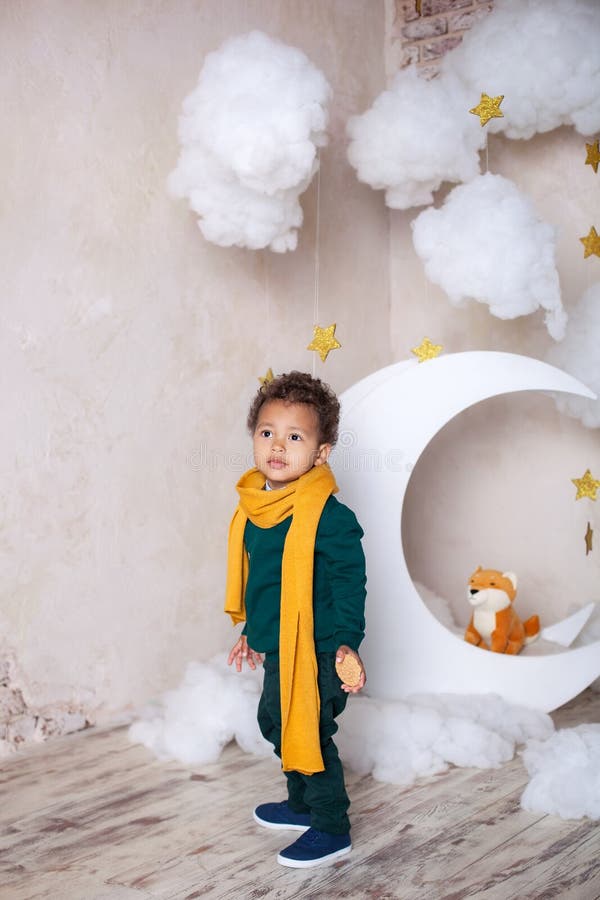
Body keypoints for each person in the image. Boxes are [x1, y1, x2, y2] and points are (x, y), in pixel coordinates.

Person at [224, 371, 367, 869]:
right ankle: (301, 804)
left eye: (295, 436)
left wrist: (347, 643)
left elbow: (350, 582)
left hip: (320, 644)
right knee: (275, 721)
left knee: (305, 726)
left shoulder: (329, 516)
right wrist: (251, 630)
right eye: (268, 432)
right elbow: (268, 583)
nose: (278, 445)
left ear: (321, 453)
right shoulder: (259, 509)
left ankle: (332, 825)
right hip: (280, 641)